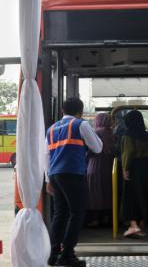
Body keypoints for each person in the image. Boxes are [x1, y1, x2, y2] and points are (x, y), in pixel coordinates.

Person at [45, 97, 103, 267]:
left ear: (62, 110)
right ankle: (67, 255)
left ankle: (54, 254)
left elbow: (45, 155)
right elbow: (98, 148)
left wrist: (48, 179)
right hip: (72, 173)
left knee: (60, 214)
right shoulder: (80, 124)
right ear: (80, 112)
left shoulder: (51, 129)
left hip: (55, 175)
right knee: (76, 213)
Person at [120, 110, 148, 238]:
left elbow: (128, 152)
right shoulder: (147, 135)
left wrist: (125, 168)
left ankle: (134, 227)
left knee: (132, 197)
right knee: (145, 196)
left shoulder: (128, 134)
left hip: (135, 167)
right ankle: (142, 226)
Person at [86, 113, 114, 228]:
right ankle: (106, 217)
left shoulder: (96, 132)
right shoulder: (111, 133)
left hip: (95, 165)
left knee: (94, 193)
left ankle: (95, 219)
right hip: (109, 165)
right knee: (107, 192)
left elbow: (90, 150)